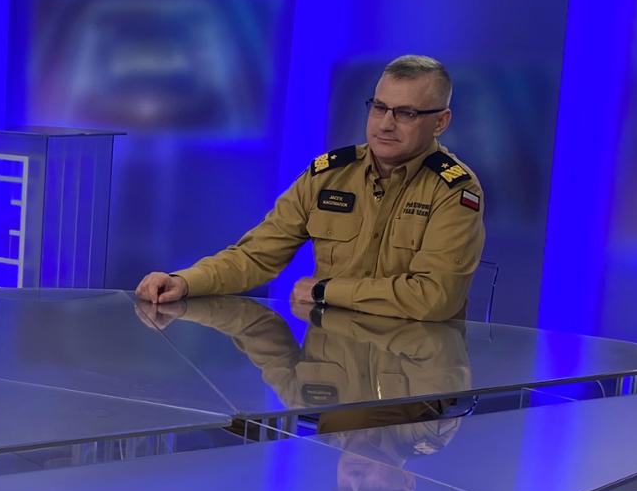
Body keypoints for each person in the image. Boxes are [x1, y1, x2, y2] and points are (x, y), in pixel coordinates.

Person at [134, 55, 485, 321]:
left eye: (406, 114)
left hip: (417, 380)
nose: (385, 124)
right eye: (379, 108)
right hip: (332, 372)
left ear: (440, 122)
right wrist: (185, 282)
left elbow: (434, 298)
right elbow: (255, 256)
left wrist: (325, 290)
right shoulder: (329, 175)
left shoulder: (453, 190)